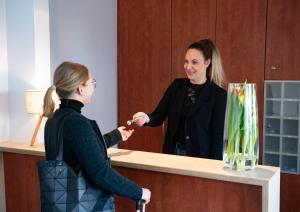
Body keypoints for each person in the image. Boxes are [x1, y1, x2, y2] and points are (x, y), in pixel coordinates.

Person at [43, 61, 151, 211]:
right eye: (92, 82)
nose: (94, 86)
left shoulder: (54, 119)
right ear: (80, 89)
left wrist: (116, 135)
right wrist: (139, 192)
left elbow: (83, 149)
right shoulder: (76, 122)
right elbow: (101, 173)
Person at [132, 39, 227, 160]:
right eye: (186, 62)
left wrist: (214, 169)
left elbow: (218, 138)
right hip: (172, 155)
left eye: (194, 62)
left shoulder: (218, 95)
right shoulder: (177, 86)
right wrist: (146, 118)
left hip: (200, 160)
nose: (188, 67)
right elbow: (158, 115)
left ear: (207, 62)